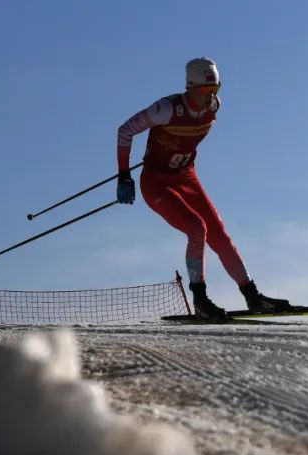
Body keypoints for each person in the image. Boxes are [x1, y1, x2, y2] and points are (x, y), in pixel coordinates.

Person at [115, 57, 291, 320]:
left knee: (220, 235)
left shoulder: (214, 107)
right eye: (204, 91)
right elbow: (125, 131)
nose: (210, 97)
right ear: (190, 87)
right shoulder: (166, 109)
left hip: (187, 178)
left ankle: (252, 296)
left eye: (215, 90)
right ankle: (200, 299)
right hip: (157, 183)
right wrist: (124, 176)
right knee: (197, 229)